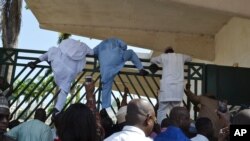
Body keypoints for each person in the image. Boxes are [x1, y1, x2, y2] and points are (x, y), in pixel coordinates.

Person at [27, 38, 94, 114]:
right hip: (71, 71)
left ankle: (36, 62)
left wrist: (35, 62)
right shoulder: (84, 46)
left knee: (52, 51)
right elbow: (92, 52)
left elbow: (51, 52)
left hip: (58, 64)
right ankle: (57, 109)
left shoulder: (67, 42)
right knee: (64, 90)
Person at [93, 38, 149, 109]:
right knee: (131, 52)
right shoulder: (115, 39)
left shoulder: (100, 45)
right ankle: (141, 69)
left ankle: (105, 109)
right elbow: (124, 45)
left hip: (105, 68)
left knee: (106, 88)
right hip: (117, 57)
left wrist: (101, 57)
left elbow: (92, 52)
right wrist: (122, 50)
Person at [150, 47, 192, 124]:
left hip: (166, 89)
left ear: (166, 52)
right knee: (175, 111)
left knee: (162, 110)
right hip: (177, 91)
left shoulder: (164, 56)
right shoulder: (181, 56)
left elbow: (152, 60)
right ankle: (175, 126)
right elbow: (190, 58)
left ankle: (161, 127)